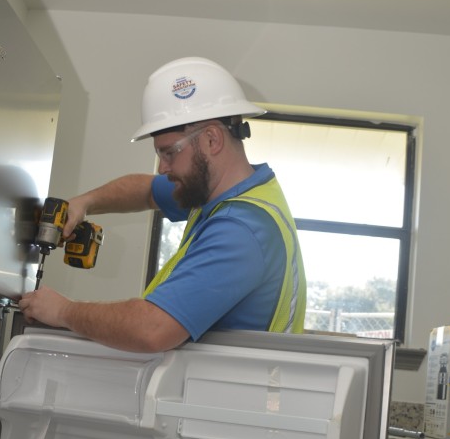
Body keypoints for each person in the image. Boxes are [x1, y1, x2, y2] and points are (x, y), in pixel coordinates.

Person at [19, 56, 306, 352]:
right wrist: (84, 203)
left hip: (230, 396)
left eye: (169, 153)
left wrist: (63, 311)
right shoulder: (221, 191)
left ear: (211, 140)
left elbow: (151, 329)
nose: (162, 168)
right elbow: (145, 190)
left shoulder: (242, 229)